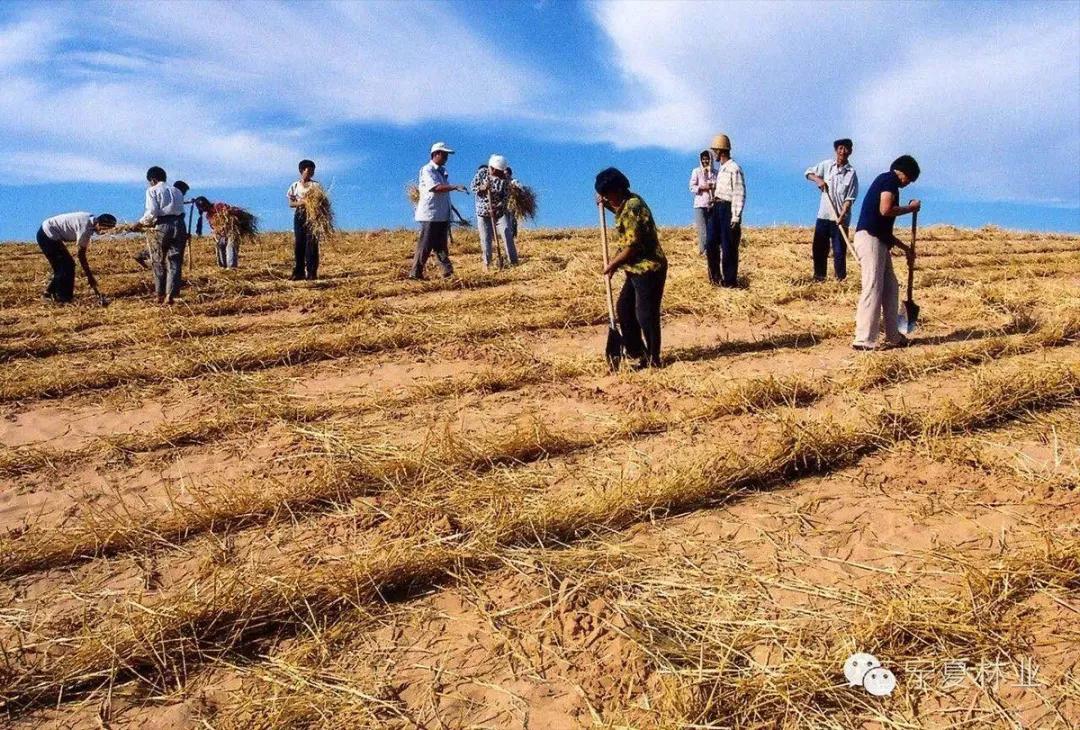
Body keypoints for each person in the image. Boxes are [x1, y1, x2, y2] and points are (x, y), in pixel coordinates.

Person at [595, 167, 667, 369]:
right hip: (635, 270)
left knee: (645, 314)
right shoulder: (626, 203)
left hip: (649, 268)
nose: (608, 200)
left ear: (618, 190)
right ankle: (637, 352)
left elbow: (632, 247)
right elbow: (620, 212)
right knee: (624, 309)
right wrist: (605, 204)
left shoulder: (633, 207)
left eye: (608, 196)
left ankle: (654, 358)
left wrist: (612, 265)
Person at [851, 155, 921, 351]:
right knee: (873, 286)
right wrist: (911, 208)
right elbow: (885, 209)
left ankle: (893, 336)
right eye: (910, 179)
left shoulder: (889, 184)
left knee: (891, 288)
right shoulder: (889, 179)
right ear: (904, 172)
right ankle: (864, 339)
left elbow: (886, 231)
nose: (908, 183)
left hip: (879, 240)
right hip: (870, 239)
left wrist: (906, 249)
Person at [409, 142, 467, 280]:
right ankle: (415, 273)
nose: (446, 157)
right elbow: (436, 188)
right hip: (431, 214)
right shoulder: (427, 170)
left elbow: (443, 194)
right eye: (444, 154)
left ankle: (448, 272)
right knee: (425, 245)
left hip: (441, 214)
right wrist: (454, 187)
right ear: (436, 154)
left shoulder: (441, 172)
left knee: (440, 246)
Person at [805, 139, 858, 281]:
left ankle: (840, 280)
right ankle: (819, 277)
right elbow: (808, 173)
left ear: (850, 152)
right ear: (836, 150)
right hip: (823, 216)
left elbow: (850, 197)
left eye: (846, 149)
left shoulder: (851, 173)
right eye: (840, 148)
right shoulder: (827, 165)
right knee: (819, 248)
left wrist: (843, 213)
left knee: (839, 251)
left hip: (841, 219)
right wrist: (818, 180)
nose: (843, 151)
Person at [36, 212, 116, 303]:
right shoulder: (85, 229)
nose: (103, 232)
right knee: (65, 266)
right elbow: (81, 256)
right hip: (47, 235)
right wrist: (90, 277)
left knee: (65, 266)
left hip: (48, 232)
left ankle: (50, 293)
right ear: (99, 224)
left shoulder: (89, 218)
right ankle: (63, 298)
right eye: (104, 229)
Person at [139, 166, 186, 304]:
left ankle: (159, 294)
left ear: (152, 180)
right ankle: (171, 295)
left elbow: (152, 211)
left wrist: (141, 223)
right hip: (179, 224)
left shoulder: (152, 190)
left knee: (157, 260)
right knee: (175, 260)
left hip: (162, 226)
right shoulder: (177, 191)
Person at [706, 134, 746, 287]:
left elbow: (739, 192)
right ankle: (714, 278)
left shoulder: (734, 168)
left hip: (727, 209)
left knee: (728, 246)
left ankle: (729, 281)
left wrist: (735, 216)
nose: (714, 154)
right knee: (711, 243)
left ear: (721, 151)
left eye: (715, 151)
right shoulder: (721, 169)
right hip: (716, 207)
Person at [470, 154, 518, 269]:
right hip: (483, 212)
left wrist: (497, 207)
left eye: (502, 172)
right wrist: (481, 188)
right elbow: (472, 187)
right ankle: (488, 265)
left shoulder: (505, 180)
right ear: (492, 169)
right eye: (499, 172)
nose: (501, 175)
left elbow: (505, 198)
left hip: (498, 212)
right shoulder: (482, 174)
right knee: (486, 239)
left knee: (507, 233)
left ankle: (513, 262)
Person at [134, 180, 189, 270]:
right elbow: (154, 211)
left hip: (167, 225)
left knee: (162, 248)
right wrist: (142, 223)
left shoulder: (172, 196)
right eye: (184, 191)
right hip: (165, 225)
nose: (184, 194)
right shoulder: (171, 196)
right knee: (161, 249)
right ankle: (142, 256)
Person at [287, 159, 321, 280]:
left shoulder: (315, 185)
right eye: (309, 170)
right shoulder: (295, 186)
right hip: (300, 215)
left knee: (312, 243)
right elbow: (291, 203)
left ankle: (312, 272)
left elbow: (321, 201)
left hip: (313, 216)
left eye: (313, 170)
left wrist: (313, 204)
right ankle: (299, 272)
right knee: (299, 243)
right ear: (302, 171)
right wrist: (302, 202)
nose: (311, 172)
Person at [194, 196, 243, 269]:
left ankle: (231, 268)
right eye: (202, 208)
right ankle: (222, 267)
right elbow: (213, 226)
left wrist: (228, 212)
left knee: (230, 247)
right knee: (219, 246)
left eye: (204, 206)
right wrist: (217, 232)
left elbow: (230, 212)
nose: (204, 208)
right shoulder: (208, 215)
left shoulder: (218, 206)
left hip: (231, 231)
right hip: (221, 234)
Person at [689, 149, 715, 255]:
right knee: (702, 229)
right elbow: (691, 187)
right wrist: (702, 187)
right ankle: (703, 250)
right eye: (703, 159)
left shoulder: (715, 173)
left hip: (712, 204)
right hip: (700, 204)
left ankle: (711, 250)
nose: (705, 161)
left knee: (711, 229)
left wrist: (712, 184)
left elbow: (718, 185)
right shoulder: (696, 171)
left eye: (707, 159)